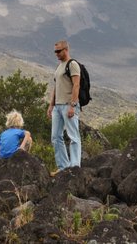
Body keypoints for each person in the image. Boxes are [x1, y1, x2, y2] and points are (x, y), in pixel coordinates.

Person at [47, 40, 81, 174]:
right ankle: (63, 167)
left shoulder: (72, 65)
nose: (56, 54)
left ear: (66, 50)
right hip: (58, 107)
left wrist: (73, 105)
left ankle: (75, 167)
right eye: (55, 51)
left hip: (68, 105)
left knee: (73, 136)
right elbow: (56, 87)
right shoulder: (59, 66)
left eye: (58, 51)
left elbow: (76, 85)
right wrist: (51, 105)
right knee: (55, 137)